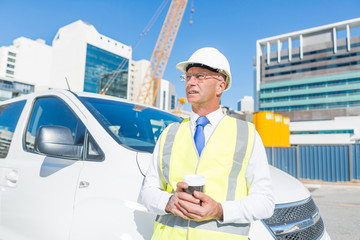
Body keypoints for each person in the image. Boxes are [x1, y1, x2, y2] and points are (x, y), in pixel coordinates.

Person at [140, 47, 274, 239]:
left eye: (200, 76)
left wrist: (220, 210)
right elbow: (147, 192)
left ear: (220, 85)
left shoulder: (247, 134)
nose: (190, 82)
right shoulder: (169, 134)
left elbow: (265, 202)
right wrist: (169, 202)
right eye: (187, 77)